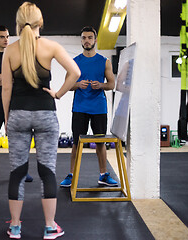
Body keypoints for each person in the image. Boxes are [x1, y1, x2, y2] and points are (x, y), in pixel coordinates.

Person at [2, 2, 81, 239]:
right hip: (46, 114)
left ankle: (15, 227)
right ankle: (50, 227)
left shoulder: (9, 50)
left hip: (18, 114)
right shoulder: (51, 46)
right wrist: (57, 93)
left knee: (17, 171)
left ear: (18, 23)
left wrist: (8, 120)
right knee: (47, 171)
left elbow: (6, 88)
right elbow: (75, 73)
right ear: (41, 23)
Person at [60, 26, 118, 188]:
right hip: (80, 107)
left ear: (95, 40)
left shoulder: (104, 62)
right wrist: (77, 84)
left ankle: (103, 175)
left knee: (100, 142)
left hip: (99, 108)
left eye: (89, 37)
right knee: (77, 143)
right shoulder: (75, 62)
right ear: (81, 40)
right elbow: (67, 85)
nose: (87, 40)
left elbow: (112, 84)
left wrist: (101, 85)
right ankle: (72, 175)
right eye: (84, 38)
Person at [0, 25, 33, 186]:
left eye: (7, 36)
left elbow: (22, 79)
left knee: (17, 137)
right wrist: (10, 77)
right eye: (2, 36)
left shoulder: (16, 56)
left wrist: (3, 77)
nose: (5, 39)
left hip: (14, 100)